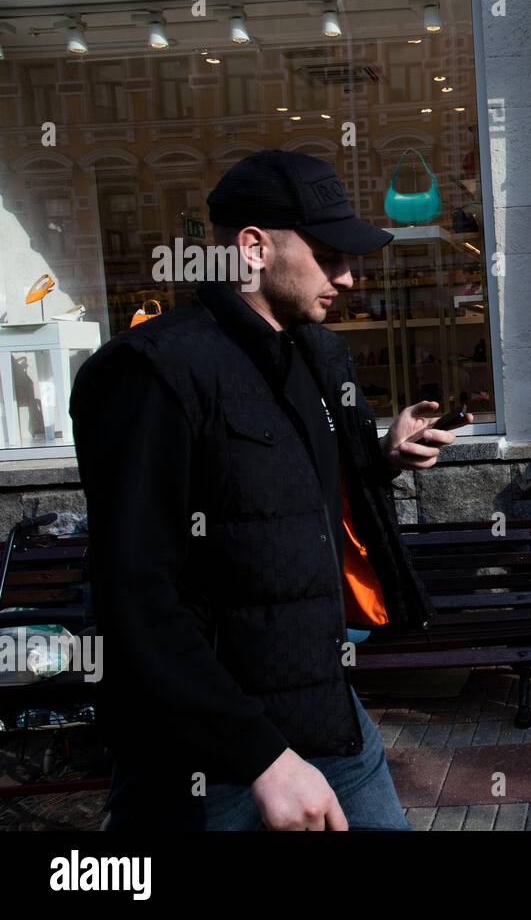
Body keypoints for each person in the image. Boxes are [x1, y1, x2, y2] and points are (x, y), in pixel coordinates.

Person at [70, 149, 466, 830]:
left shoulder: (319, 353)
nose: (348, 274)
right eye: (328, 253)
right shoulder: (151, 372)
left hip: (330, 717)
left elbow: (285, 504)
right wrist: (262, 758)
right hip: (215, 761)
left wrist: (383, 461)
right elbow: (136, 594)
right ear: (253, 247)